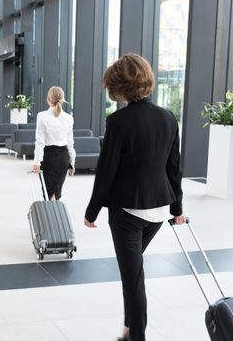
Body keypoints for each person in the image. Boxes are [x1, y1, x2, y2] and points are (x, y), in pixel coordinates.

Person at [83, 54, 185, 341]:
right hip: (158, 213)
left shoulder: (118, 121)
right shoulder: (168, 117)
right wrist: (177, 208)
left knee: (133, 279)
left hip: (127, 213)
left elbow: (106, 171)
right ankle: (129, 327)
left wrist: (92, 212)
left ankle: (135, 335)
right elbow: (174, 167)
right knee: (133, 270)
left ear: (120, 86)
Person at [32, 86, 75, 200]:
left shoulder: (42, 116)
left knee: (48, 194)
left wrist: (37, 162)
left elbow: (40, 141)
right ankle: (55, 216)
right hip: (63, 158)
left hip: (48, 158)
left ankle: (51, 217)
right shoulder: (69, 118)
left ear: (48, 99)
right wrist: (72, 162)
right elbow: (70, 143)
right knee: (56, 193)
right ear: (62, 99)